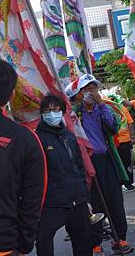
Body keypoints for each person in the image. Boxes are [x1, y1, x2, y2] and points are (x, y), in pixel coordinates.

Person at [0, 59, 46, 256]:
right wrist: (23, 244)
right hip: (0, 243)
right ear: (11, 94)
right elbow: (33, 198)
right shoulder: (25, 138)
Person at [66, 74, 133, 256]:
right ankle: (95, 242)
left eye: (93, 88)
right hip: (87, 162)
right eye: (87, 89)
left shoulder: (103, 108)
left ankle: (119, 238)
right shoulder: (74, 113)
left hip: (106, 159)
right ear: (80, 93)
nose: (91, 92)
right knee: (92, 203)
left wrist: (101, 105)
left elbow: (113, 127)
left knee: (115, 200)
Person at [35, 94, 93, 256]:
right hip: (52, 202)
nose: (51, 113)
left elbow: (79, 168)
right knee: (43, 241)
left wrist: (85, 197)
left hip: (77, 199)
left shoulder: (69, 136)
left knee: (83, 243)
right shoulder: (38, 139)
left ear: (61, 111)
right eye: (47, 110)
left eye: (55, 109)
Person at [109, 94, 135, 191]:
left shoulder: (123, 109)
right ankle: (119, 183)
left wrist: (132, 137)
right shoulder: (108, 111)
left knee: (127, 163)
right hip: (114, 142)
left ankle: (128, 183)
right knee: (116, 163)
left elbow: (130, 123)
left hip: (125, 141)